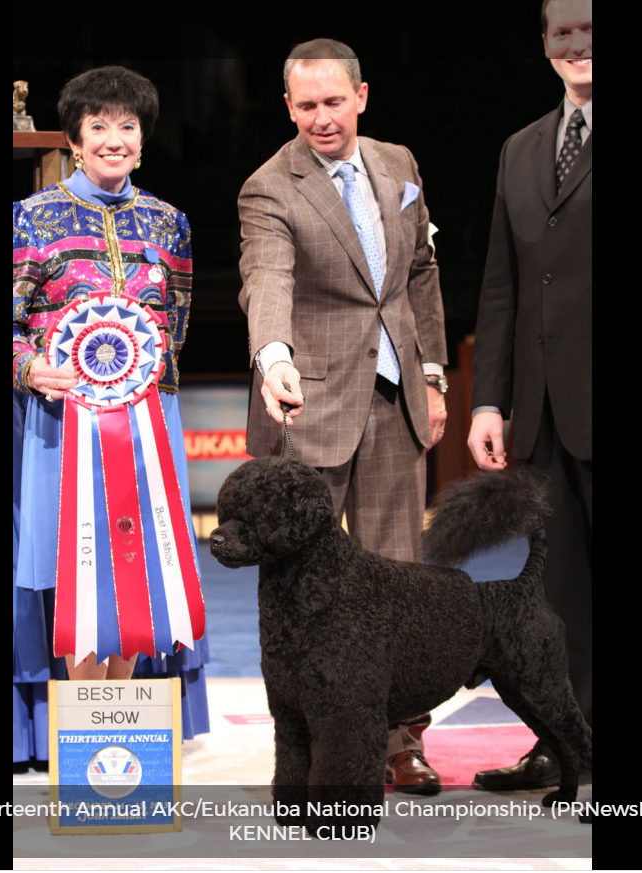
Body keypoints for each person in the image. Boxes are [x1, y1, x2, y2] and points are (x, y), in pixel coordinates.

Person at [238, 40, 448, 794]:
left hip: (395, 400)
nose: (321, 118)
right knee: (301, 593)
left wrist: (432, 373)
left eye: (333, 102)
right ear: (287, 107)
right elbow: (266, 276)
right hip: (308, 405)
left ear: (361, 95)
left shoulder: (398, 163)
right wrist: (274, 356)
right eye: (306, 106)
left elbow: (419, 272)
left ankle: (401, 741)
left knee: (400, 582)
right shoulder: (269, 186)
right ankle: (305, 744)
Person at [13, 67, 209, 737]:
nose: (113, 138)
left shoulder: (169, 223)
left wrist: (146, 385)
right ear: (73, 140)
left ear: (143, 140)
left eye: (127, 125)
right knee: (76, 571)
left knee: (138, 565)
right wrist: (32, 367)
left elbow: (174, 324)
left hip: (148, 424)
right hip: (60, 424)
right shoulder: (30, 219)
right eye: (97, 125)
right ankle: (82, 734)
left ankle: (116, 729)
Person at [467, 5, 591, 790]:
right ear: (545, 44)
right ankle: (569, 746)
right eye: (564, 32)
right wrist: (488, 401)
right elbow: (501, 284)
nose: (578, 46)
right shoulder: (519, 147)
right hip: (542, 412)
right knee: (557, 594)